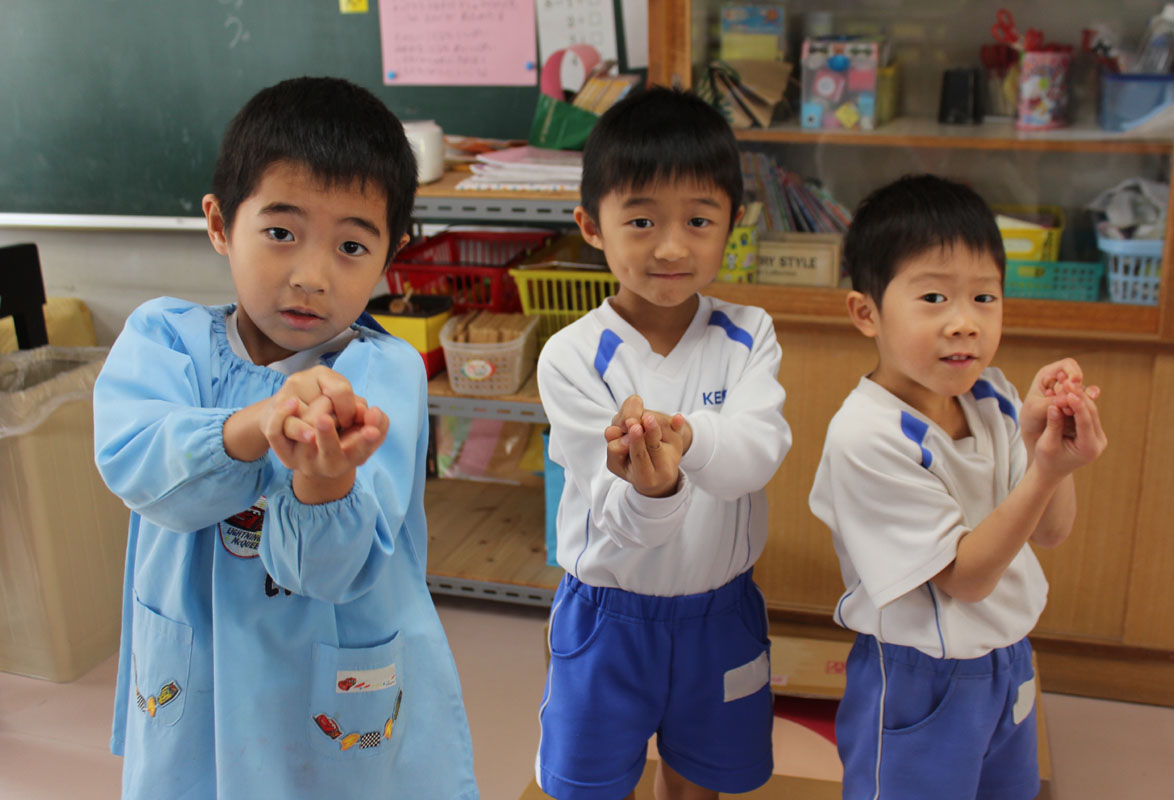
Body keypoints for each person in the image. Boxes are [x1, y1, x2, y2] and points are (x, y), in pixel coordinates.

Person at [92, 77, 477, 800]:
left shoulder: (381, 373)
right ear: (218, 224)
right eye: (280, 232)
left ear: (389, 257)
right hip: (196, 675)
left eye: (352, 246)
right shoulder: (162, 338)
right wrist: (253, 429)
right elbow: (137, 465)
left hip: (328, 689)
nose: (310, 276)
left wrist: (325, 482)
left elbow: (333, 573)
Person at [808, 174, 1108, 800]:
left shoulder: (993, 395)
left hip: (1008, 660)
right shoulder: (867, 436)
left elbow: (1050, 531)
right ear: (867, 313)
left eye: (984, 298)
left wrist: (1050, 447)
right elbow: (966, 579)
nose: (965, 323)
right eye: (935, 298)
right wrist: (1046, 470)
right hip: (922, 677)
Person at [534, 87, 793, 800]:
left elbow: (758, 452)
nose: (672, 246)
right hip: (608, 613)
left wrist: (685, 440)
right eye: (641, 219)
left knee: (702, 777)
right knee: (587, 782)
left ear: (731, 225)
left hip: (722, 610)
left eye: (698, 219)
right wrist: (656, 489)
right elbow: (609, 503)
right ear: (591, 225)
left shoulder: (748, 334)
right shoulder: (571, 355)